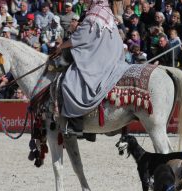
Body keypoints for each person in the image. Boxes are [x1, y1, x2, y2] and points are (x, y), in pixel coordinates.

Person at [54, 0, 130, 137]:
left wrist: (61, 47)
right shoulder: (108, 14)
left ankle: (75, 125)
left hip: (100, 60)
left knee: (69, 82)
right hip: (113, 59)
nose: (85, 2)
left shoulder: (93, 16)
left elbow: (79, 38)